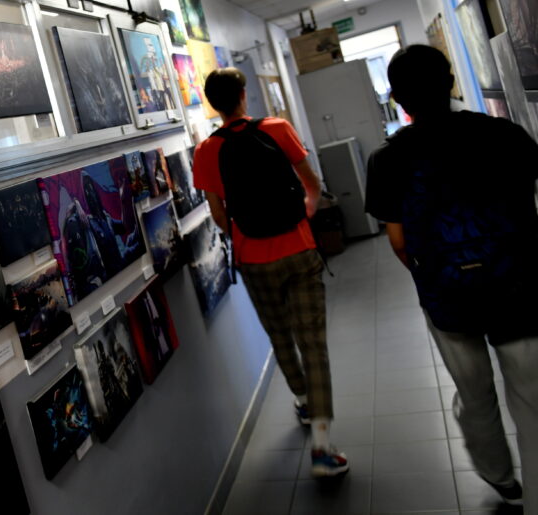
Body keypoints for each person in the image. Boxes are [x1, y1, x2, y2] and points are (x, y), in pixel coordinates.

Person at [366, 44, 538, 511]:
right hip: (518, 287)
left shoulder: (387, 160)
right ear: (450, 82)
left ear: (400, 100)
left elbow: (399, 242)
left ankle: (500, 477)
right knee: (531, 396)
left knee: (474, 392)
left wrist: (435, 276)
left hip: (447, 297)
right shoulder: (506, 135)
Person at [193, 67, 348, 477]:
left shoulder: (207, 150)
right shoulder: (277, 128)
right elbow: (311, 185)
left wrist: (245, 233)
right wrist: (305, 211)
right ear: (244, 94)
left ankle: (300, 398)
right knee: (313, 344)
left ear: (212, 103)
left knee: (280, 336)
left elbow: (218, 215)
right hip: (298, 249)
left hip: (254, 261)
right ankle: (322, 445)